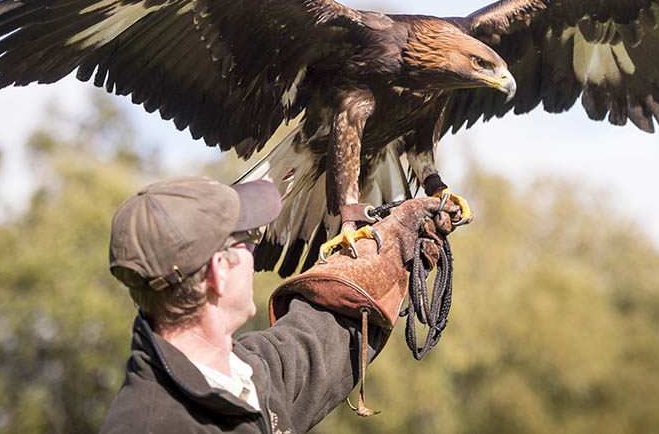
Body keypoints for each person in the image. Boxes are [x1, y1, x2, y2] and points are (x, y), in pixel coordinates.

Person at [101, 175, 457, 434]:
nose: (257, 250)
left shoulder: (245, 372)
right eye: (249, 238)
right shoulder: (153, 424)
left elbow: (319, 342)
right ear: (218, 271)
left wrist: (394, 256)